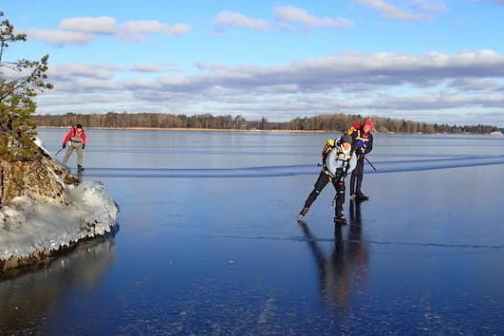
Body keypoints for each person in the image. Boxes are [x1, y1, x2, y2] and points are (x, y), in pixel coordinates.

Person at [298, 135, 357, 225]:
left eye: (348, 144)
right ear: (342, 143)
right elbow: (329, 163)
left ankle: (339, 215)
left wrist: (345, 173)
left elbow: (353, 164)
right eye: (345, 143)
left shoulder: (351, 152)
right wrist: (335, 173)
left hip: (339, 174)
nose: (346, 145)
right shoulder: (335, 150)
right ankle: (306, 207)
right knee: (317, 191)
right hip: (327, 173)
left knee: (341, 193)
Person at [347, 118, 374, 201]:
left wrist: (364, 152)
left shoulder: (370, 136)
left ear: (370, 128)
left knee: (360, 174)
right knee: (354, 173)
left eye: (368, 127)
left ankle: (358, 191)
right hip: (353, 156)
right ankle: (352, 193)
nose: (366, 128)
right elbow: (349, 142)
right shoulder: (356, 132)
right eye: (365, 126)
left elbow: (370, 147)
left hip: (361, 157)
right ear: (363, 126)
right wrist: (356, 146)